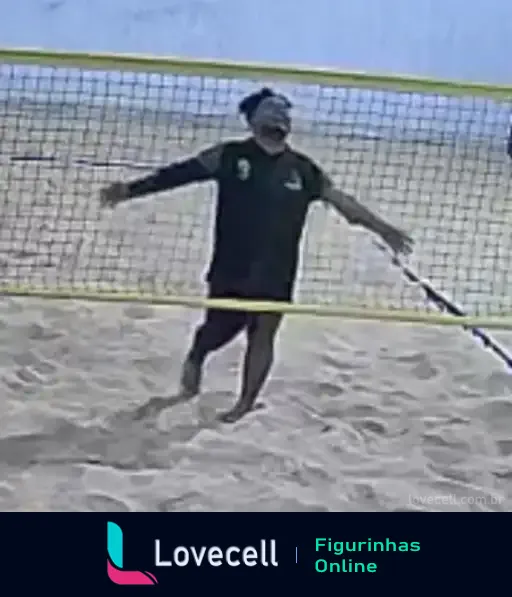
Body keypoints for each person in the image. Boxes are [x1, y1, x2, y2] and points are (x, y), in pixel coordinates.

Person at [99, 87, 413, 423]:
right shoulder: (229, 155)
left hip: (277, 271)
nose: (280, 117)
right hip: (231, 267)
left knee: (263, 334)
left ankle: (244, 404)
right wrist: (129, 190)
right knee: (217, 331)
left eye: (283, 113)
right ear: (252, 121)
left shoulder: (304, 169)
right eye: (271, 111)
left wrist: (384, 229)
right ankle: (196, 358)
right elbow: (178, 174)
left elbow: (345, 204)